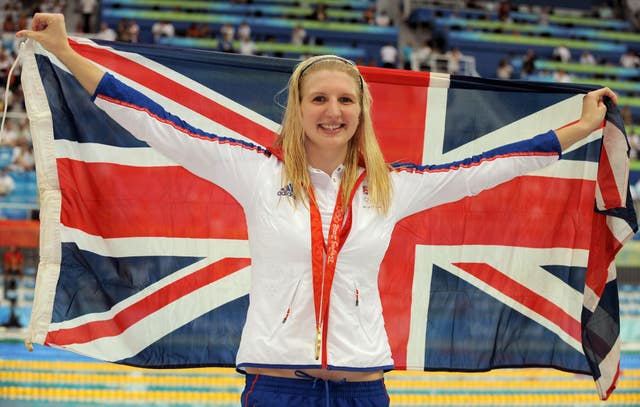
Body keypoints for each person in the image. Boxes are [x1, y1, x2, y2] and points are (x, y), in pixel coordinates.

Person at [17, 13, 618, 407]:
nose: (333, 110)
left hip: (363, 389)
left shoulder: (392, 187)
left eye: (345, 100)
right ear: (298, 109)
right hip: (276, 387)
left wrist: (580, 128)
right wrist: (66, 51)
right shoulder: (255, 172)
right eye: (319, 98)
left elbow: (493, 165)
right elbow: (152, 119)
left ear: (361, 111)